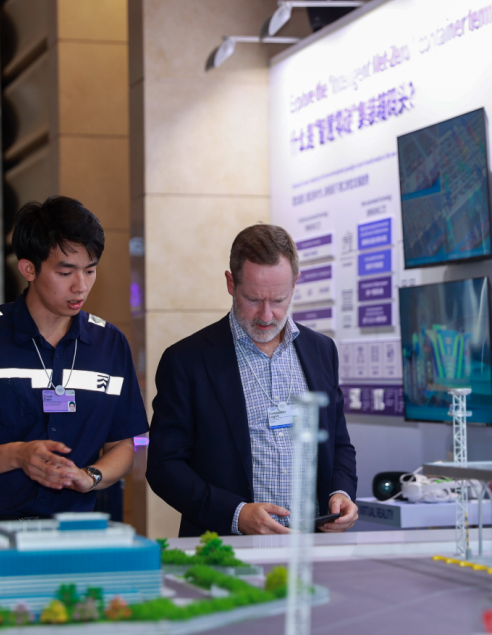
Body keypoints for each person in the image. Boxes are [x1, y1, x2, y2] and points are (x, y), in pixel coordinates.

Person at [0, 196, 149, 545]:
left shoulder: (110, 344)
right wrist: (16, 455)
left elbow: (127, 444)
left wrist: (90, 476)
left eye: (90, 270)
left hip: (74, 535)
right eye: (65, 272)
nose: (80, 286)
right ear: (28, 269)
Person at [146, 224, 358, 537]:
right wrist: (235, 514)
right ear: (231, 283)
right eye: (253, 299)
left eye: (279, 300)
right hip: (226, 545)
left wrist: (341, 492)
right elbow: (164, 466)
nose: (266, 315)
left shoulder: (321, 350)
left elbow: (339, 444)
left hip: (313, 543)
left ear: (295, 285)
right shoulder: (187, 360)